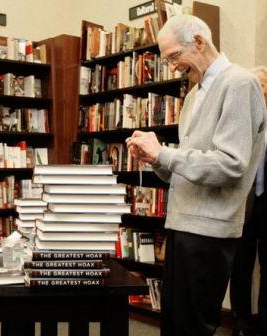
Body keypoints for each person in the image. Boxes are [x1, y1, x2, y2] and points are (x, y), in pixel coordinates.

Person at [126, 15, 266, 336]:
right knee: (173, 323)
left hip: (209, 232)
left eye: (175, 56)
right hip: (180, 225)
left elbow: (231, 164)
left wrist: (165, 153)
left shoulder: (239, 84)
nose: (172, 67)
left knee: (193, 327)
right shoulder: (192, 95)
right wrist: (154, 157)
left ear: (200, 42)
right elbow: (182, 174)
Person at [230, 66, 267, 336]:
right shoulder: (239, 121)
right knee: (240, 267)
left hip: (266, 204)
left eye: (264, 87)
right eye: (256, 86)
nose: (259, 91)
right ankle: (240, 324)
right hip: (242, 204)